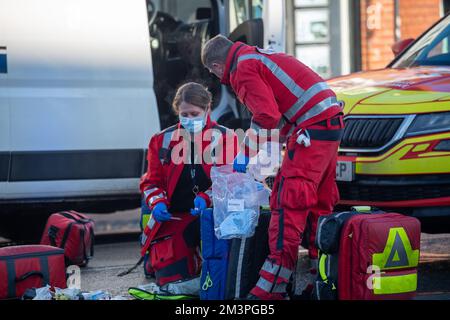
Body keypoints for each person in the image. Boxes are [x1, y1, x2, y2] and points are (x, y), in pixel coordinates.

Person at [201, 35, 345, 300]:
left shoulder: (241, 69)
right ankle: (323, 280)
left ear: (217, 66)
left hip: (312, 127)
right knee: (318, 206)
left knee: (287, 201)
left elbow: (267, 116)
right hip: (327, 124)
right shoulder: (256, 56)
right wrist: (278, 140)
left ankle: (272, 288)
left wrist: (245, 155)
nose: (216, 75)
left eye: (212, 71)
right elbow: (286, 108)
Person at [139, 82, 238, 288]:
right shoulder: (162, 140)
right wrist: (157, 203)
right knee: (171, 282)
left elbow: (228, 179)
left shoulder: (225, 137)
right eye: (185, 114)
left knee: (221, 276)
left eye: (195, 113)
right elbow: (151, 182)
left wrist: (205, 198)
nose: (189, 119)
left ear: (208, 109)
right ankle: (154, 260)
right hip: (177, 215)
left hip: (214, 215)